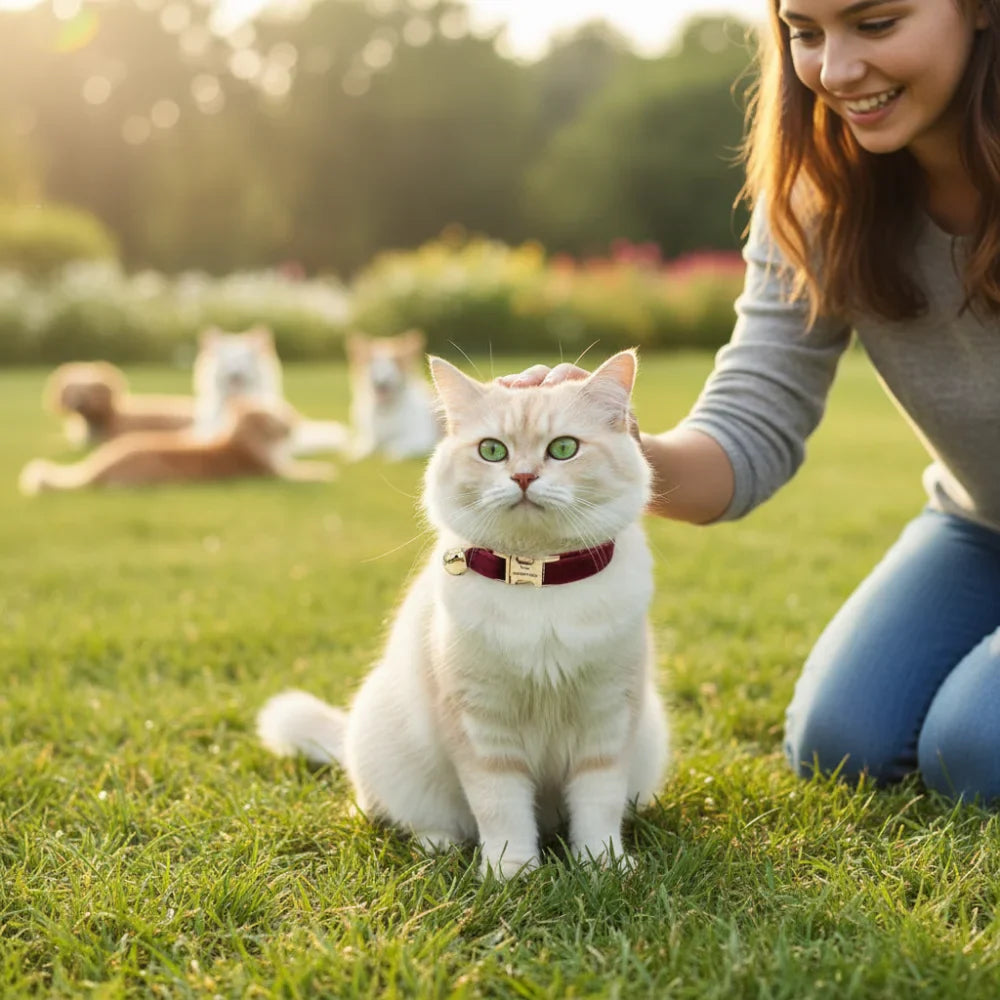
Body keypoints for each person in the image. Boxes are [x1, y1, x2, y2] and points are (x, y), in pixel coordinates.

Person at [499, 0, 1000, 802]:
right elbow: (746, 428)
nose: (836, 70)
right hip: (981, 526)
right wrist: (607, 444)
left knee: (971, 748)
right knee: (842, 744)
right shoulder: (819, 195)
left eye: (876, 24)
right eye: (806, 33)